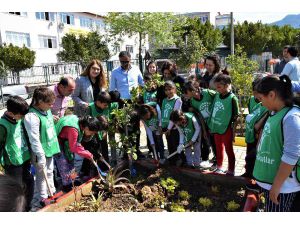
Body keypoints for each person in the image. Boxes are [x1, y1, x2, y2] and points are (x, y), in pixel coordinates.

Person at [253, 75, 300, 212]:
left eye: (261, 99)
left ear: (272, 95)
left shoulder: (291, 117)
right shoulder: (275, 112)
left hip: (283, 188)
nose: (261, 103)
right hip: (273, 184)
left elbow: (291, 156)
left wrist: (276, 186)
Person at [24, 87, 60, 209]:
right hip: (39, 151)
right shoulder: (31, 117)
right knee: (41, 174)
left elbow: (46, 122)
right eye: (49, 104)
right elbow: (34, 139)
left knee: (50, 171)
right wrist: (40, 155)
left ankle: (52, 192)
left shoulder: (46, 110)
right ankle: (42, 197)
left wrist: (52, 118)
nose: (51, 106)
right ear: (39, 102)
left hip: (50, 147)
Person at [0, 96, 34, 211]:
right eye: (21, 115)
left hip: (24, 157)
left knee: (29, 182)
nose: (23, 117)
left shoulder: (19, 119)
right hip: (13, 162)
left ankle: (27, 207)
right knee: (16, 189)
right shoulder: (2, 125)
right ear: (10, 112)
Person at [54, 115, 104, 192]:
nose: (91, 135)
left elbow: (76, 144)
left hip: (65, 141)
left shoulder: (80, 122)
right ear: (87, 128)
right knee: (63, 164)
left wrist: (86, 152)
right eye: (91, 132)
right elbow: (73, 147)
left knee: (70, 161)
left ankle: (72, 180)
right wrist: (87, 154)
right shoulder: (73, 129)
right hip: (57, 142)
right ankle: (67, 186)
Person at [109, 51, 144, 158]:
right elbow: (112, 89)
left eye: (126, 61)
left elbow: (142, 84)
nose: (124, 64)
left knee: (136, 127)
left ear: (130, 59)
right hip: (121, 103)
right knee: (124, 128)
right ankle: (126, 152)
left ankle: (136, 150)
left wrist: (140, 96)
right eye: (122, 62)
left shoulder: (136, 69)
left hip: (134, 102)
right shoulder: (115, 72)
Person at [208, 74, 239, 176]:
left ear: (227, 85)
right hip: (217, 127)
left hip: (227, 129)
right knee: (218, 148)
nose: (217, 89)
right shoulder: (217, 95)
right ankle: (219, 166)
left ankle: (231, 169)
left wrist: (233, 131)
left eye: (219, 87)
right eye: (216, 87)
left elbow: (236, 116)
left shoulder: (232, 98)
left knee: (229, 149)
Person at [184, 81, 216, 169]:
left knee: (216, 143)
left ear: (192, 90)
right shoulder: (193, 101)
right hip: (207, 124)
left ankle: (218, 162)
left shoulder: (207, 93)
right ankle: (212, 161)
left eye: (186, 93)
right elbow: (200, 116)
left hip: (216, 123)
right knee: (210, 142)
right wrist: (204, 131)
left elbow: (219, 98)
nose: (186, 95)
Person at [242, 77, 269, 178]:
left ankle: (253, 176)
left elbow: (260, 125)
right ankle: (247, 173)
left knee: (254, 158)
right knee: (249, 156)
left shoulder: (268, 106)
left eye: (257, 92)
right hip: (250, 135)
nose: (255, 95)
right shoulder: (254, 102)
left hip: (258, 137)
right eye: (253, 92)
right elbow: (252, 115)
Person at [87, 91, 118, 165]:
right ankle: (96, 166)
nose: (106, 107)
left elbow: (115, 104)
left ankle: (106, 164)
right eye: (105, 105)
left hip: (104, 131)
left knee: (104, 148)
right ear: (98, 102)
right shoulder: (90, 107)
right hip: (94, 133)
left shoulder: (107, 106)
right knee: (96, 149)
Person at [161, 81, 183, 165]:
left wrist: (169, 128)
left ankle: (180, 160)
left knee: (176, 144)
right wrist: (162, 126)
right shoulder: (164, 100)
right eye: (166, 90)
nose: (168, 91)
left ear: (174, 89)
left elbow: (174, 116)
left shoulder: (178, 100)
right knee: (169, 144)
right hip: (166, 127)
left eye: (170, 89)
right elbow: (163, 113)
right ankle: (172, 160)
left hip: (173, 127)